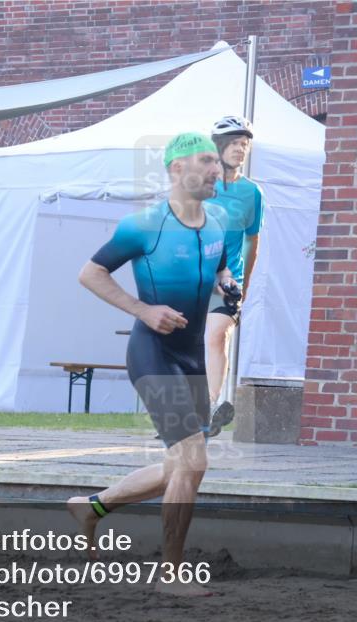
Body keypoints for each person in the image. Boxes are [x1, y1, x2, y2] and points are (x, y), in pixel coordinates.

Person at [67, 132, 236, 597]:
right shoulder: (143, 225)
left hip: (190, 356)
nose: (216, 169)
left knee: (175, 467)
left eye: (216, 162)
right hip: (153, 354)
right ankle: (171, 575)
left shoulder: (219, 221)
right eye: (206, 160)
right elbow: (90, 273)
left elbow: (218, 265)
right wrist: (143, 310)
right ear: (176, 169)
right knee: (194, 461)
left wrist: (226, 282)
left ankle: (91, 507)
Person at [204, 115, 265, 437]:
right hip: (191, 275)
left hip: (228, 282)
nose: (240, 149)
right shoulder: (199, 186)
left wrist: (246, 285)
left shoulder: (252, 194)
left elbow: (252, 242)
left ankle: (210, 409)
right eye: (234, 144)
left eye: (245, 144)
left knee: (216, 335)